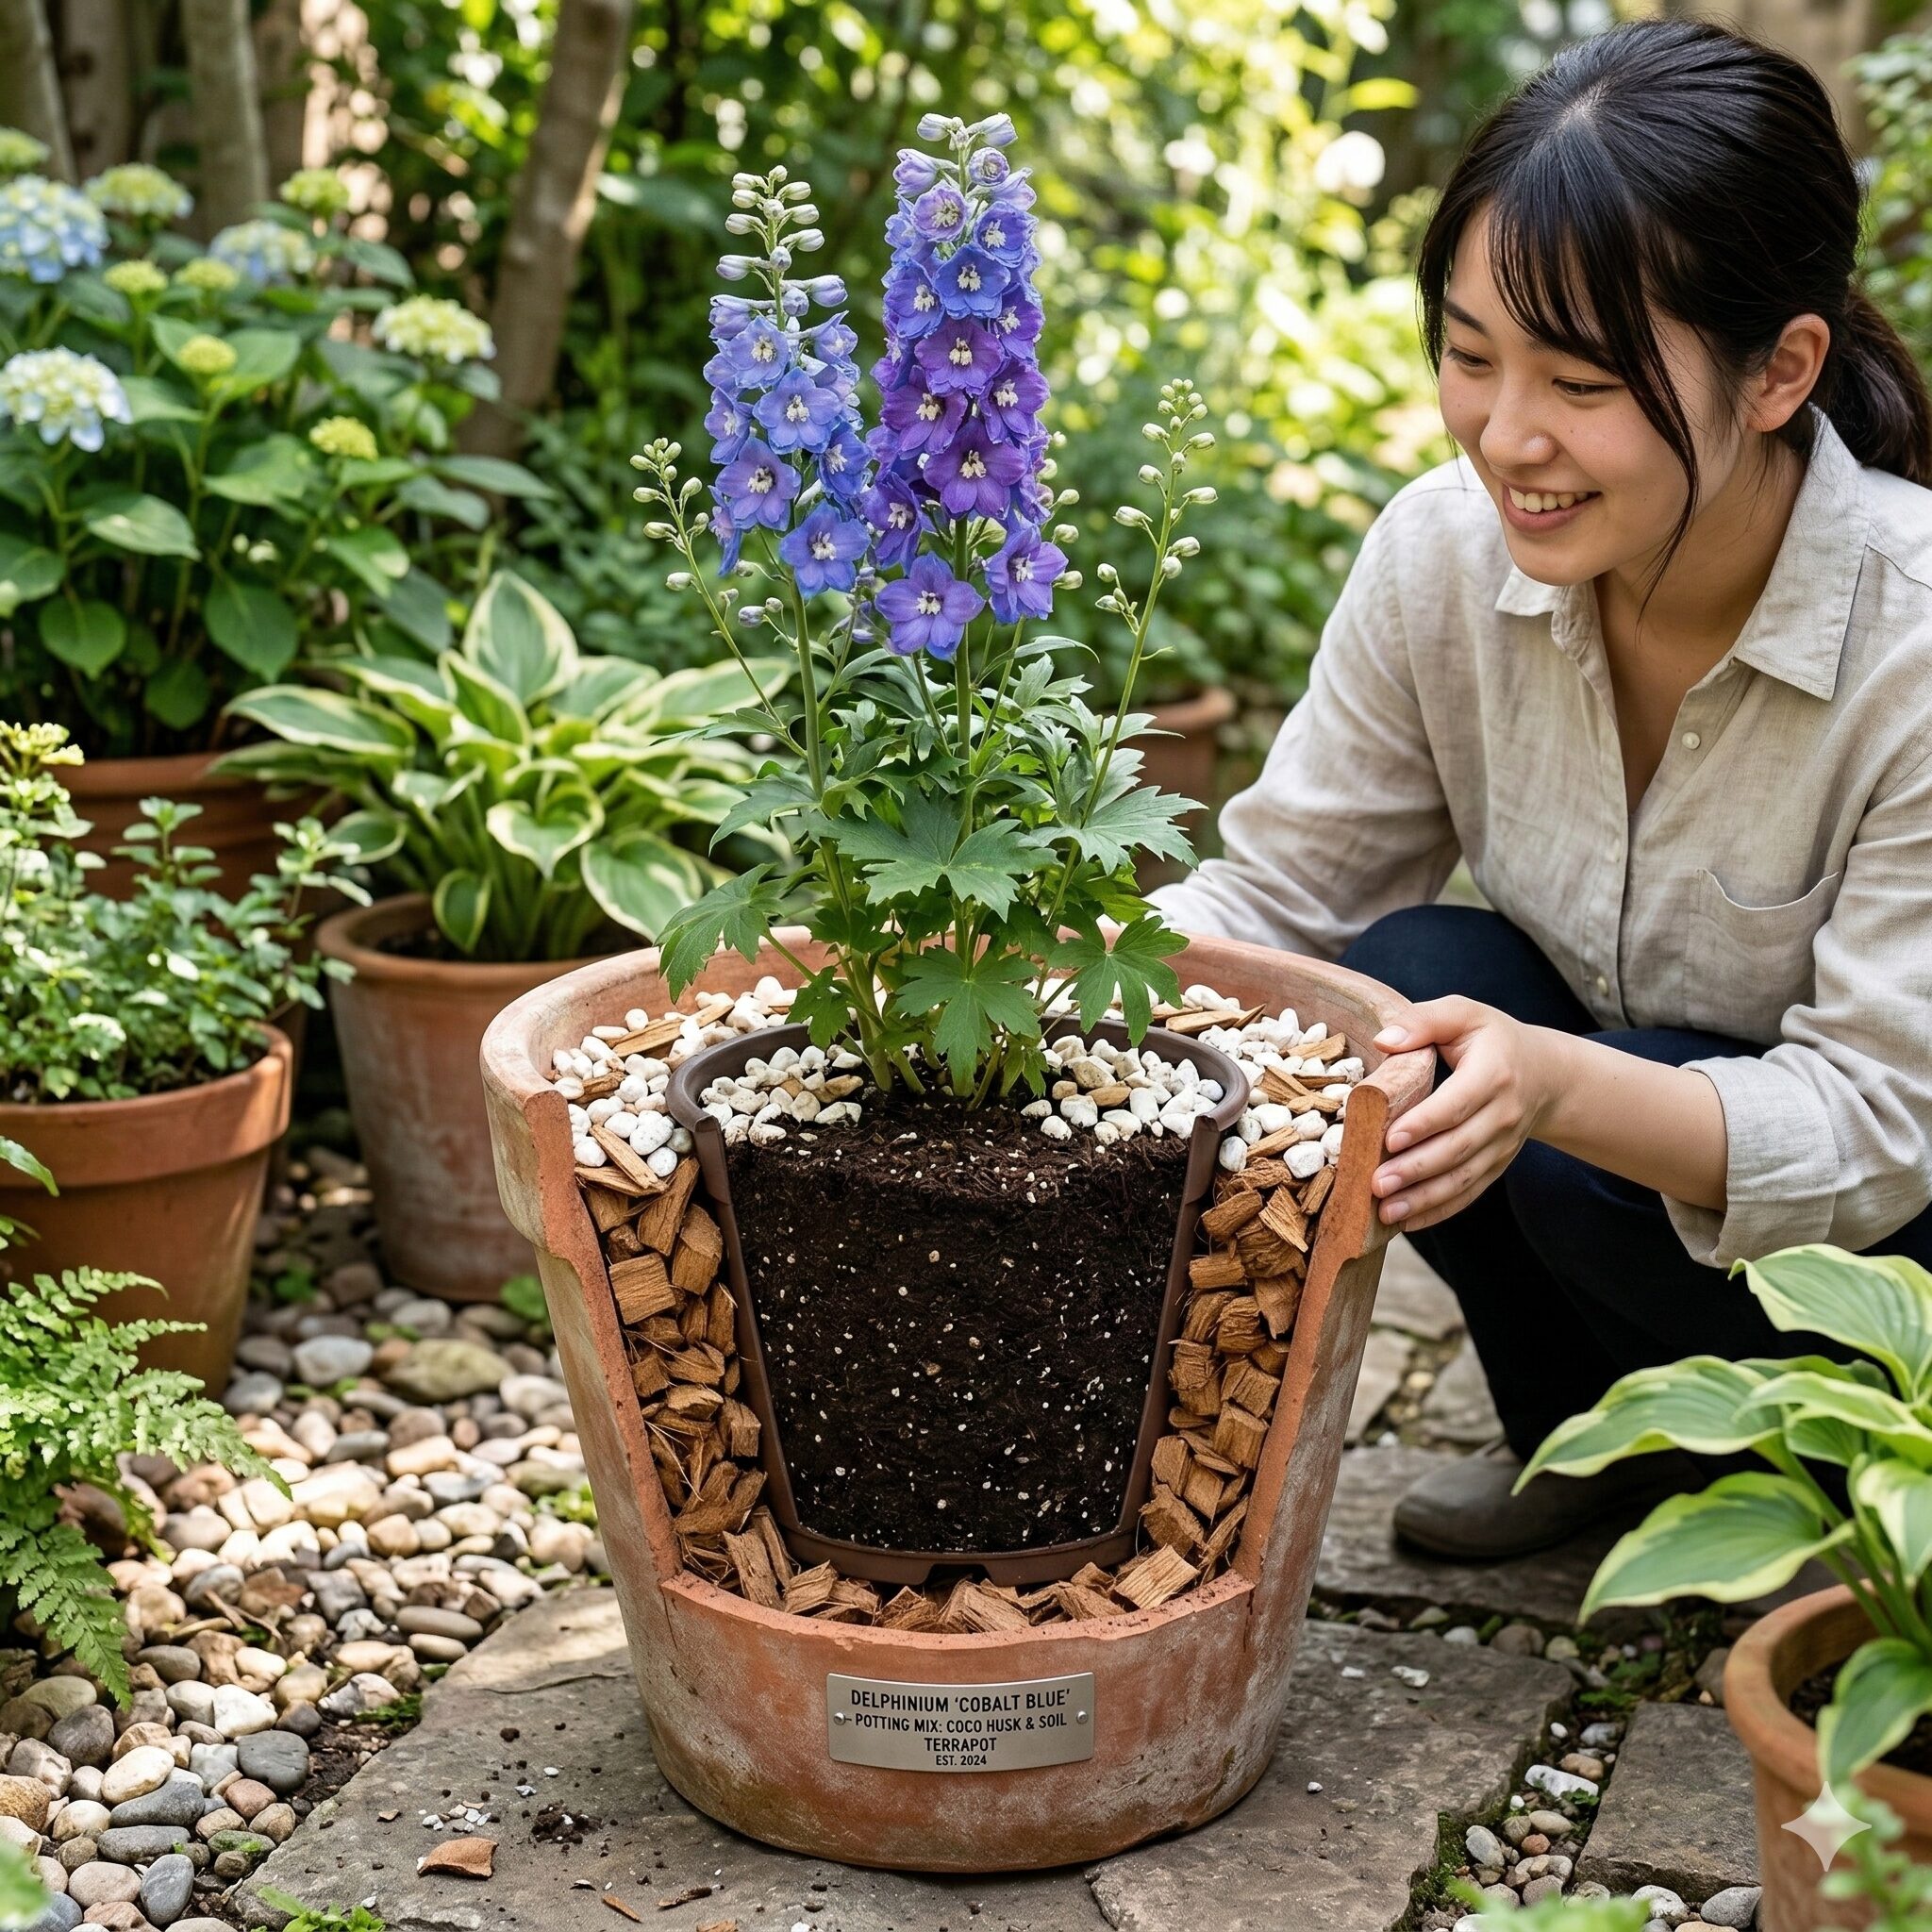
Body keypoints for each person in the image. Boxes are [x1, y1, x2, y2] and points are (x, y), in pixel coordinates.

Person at [1150, 17, 1932, 1559]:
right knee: (1412, 984)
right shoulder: (1443, 555)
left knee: (1545, 1117)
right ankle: (1599, 1432)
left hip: (1891, 1258)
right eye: (1467, 354)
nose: (1508, 438)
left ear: (1781, 370)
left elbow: (1880, 1122)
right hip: (1621, 1185)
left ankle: (1840, 1500)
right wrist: (1017, 978)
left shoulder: (1911, 640)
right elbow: (1278, 902)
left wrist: (1559, 1087)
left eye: (1581, 379)